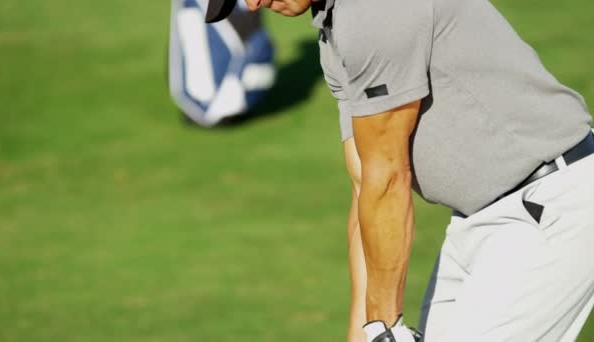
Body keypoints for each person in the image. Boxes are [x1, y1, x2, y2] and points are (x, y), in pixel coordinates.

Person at [206, 0, 594, 341]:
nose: (253, 5)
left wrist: (384, 325)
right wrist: (364, 328)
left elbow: (390, 177)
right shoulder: (335, 33)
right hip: (478, 224)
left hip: (550, 208)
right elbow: (366, 185)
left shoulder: (374, 11)